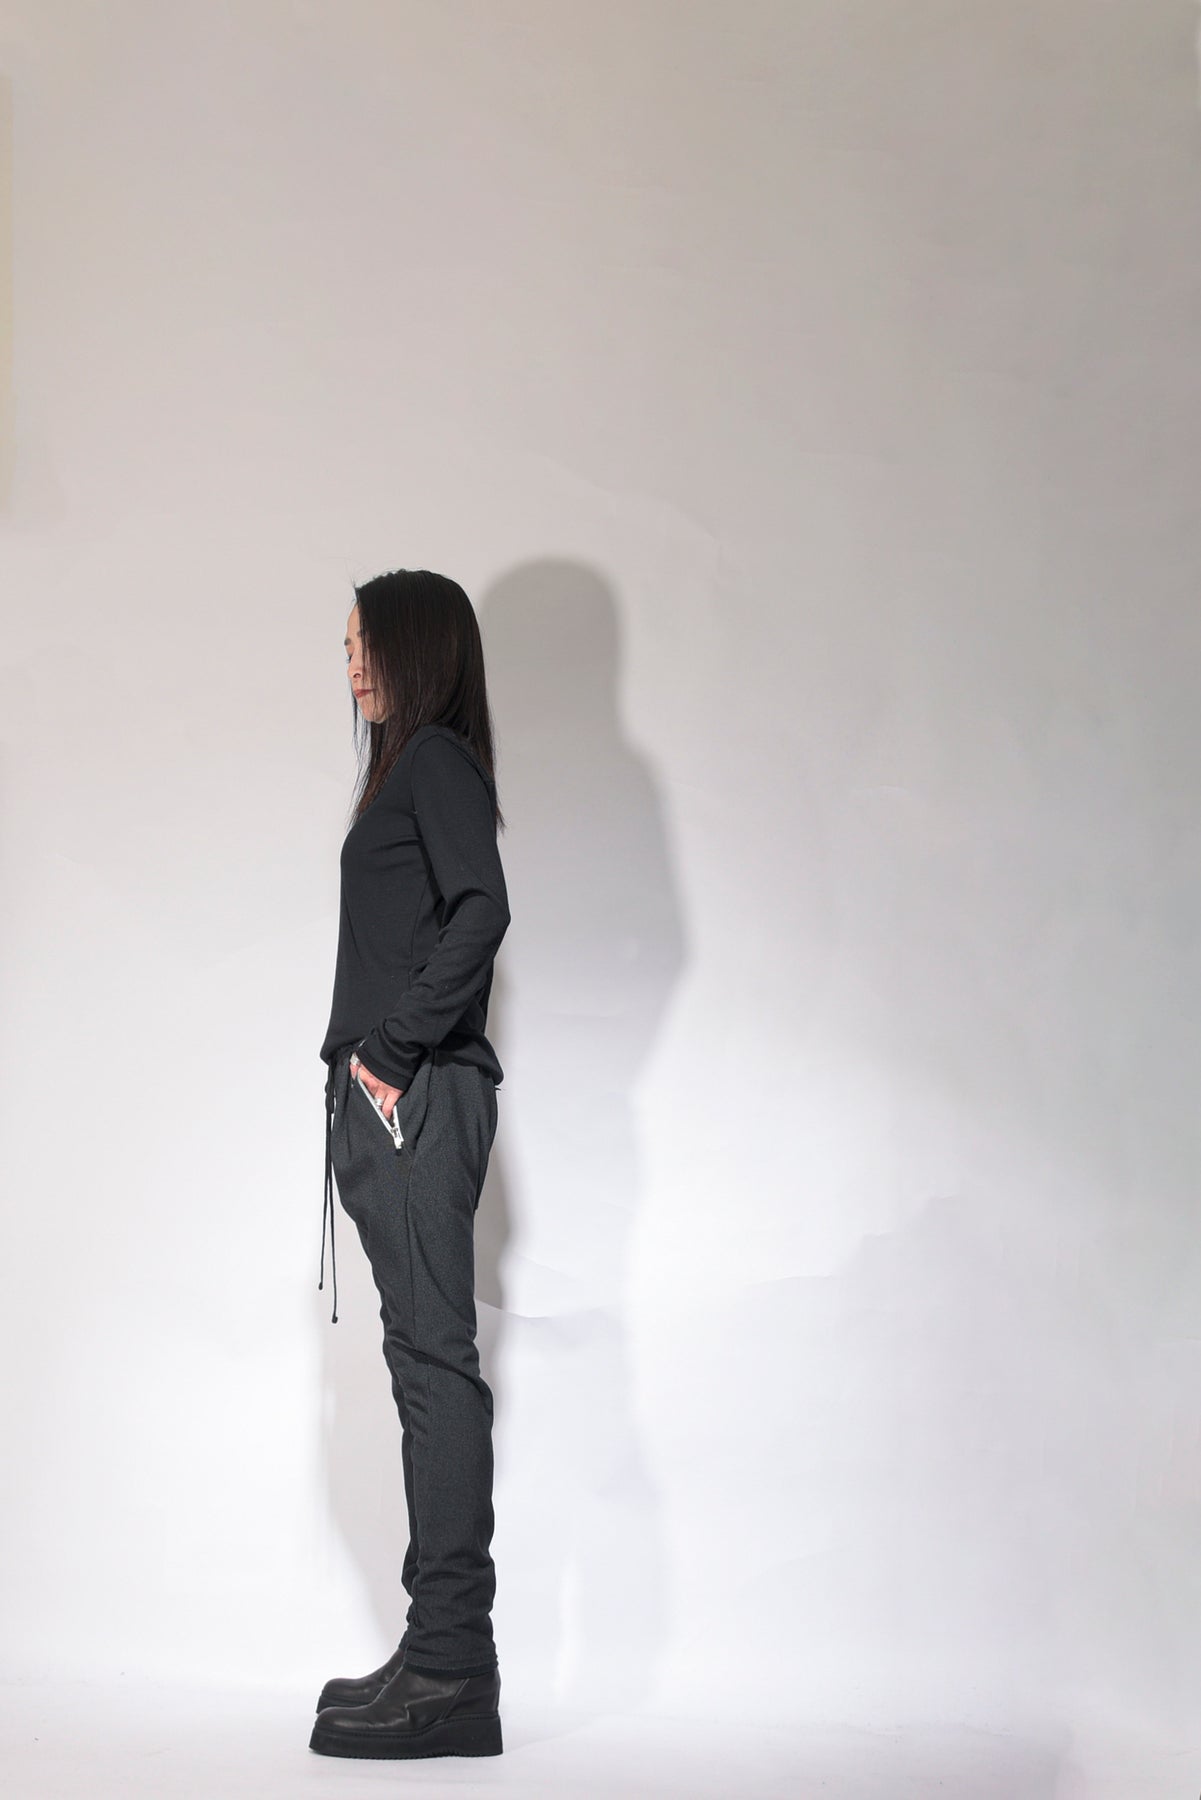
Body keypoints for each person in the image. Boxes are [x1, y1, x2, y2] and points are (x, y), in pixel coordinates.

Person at [308, 568, 511, 1762]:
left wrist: (386, 1055)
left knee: (434, 1368)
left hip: (416, 1097)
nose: (350, 666)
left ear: (417, 647)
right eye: (342, 648)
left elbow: (482, 908)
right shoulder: (411, 769)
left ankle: (450, 1669)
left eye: (365, 644)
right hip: (398, 1102)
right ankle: (435, 1652)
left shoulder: (434, 761)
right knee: (421, 1366)